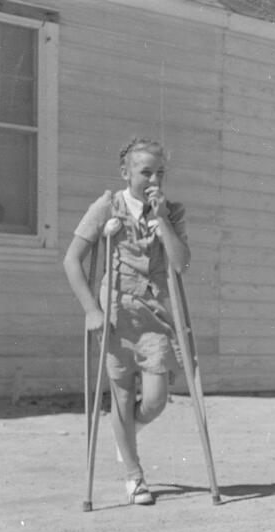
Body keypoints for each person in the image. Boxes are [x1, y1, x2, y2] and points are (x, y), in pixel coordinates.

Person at [64, 137, 191, 506]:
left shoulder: (172, 211)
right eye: (145, 171)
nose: (153, 179)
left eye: (160, 172)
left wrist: (163, 219)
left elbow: (180, 264)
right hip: (116, 312)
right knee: (120, 396)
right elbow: (72, 261)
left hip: (154, 313)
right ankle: (134, 476)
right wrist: (91, 309)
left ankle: (126, 434)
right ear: (125, 172)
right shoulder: (107, 206)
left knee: (155, 399)